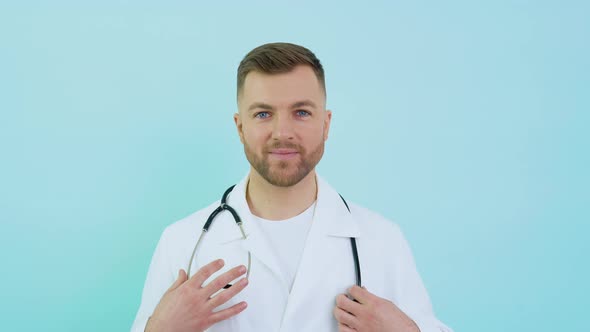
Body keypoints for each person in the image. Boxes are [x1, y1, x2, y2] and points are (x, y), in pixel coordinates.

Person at [131, 42, 453, 332]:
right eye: (263, 114)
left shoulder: (382, 241)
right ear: (240, 127)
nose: (282, 132)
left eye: (301, 112)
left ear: (326, 124)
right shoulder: (183, 244)